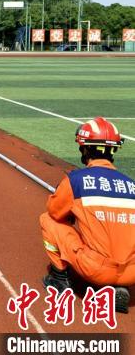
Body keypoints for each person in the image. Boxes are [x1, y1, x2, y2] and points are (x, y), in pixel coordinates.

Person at [40, 117, 134, 313]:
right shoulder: (131, 185)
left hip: (96, 269)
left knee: (48, 219)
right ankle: (119, 285)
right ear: (113, 150)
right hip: (132, 271)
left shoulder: (76, 180)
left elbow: (55, 211)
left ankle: (60, 279)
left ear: (85, 149)